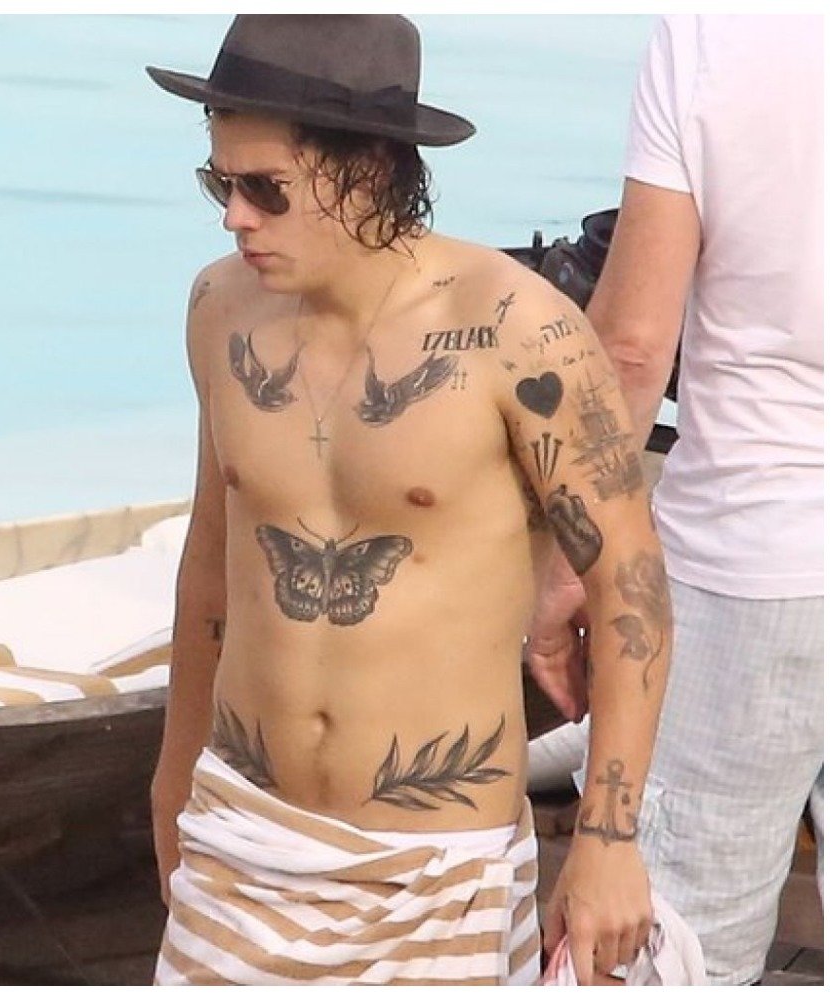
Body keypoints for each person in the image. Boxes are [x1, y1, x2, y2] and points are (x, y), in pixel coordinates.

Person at [145, 15, 671, 986]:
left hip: (438, 873)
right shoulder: (220, 310)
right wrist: (174, 775)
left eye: (266, 189)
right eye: (220, 185)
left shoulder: (517, 331)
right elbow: (210, 562)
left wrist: (607, 840)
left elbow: (629, 589)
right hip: (240, 837)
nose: (235, 218)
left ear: (369, 174)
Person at [526, 14, 823, 986]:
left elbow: (630, 349)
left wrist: (568, 567)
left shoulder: (714, 32)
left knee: (674, 957)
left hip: (753, 565)